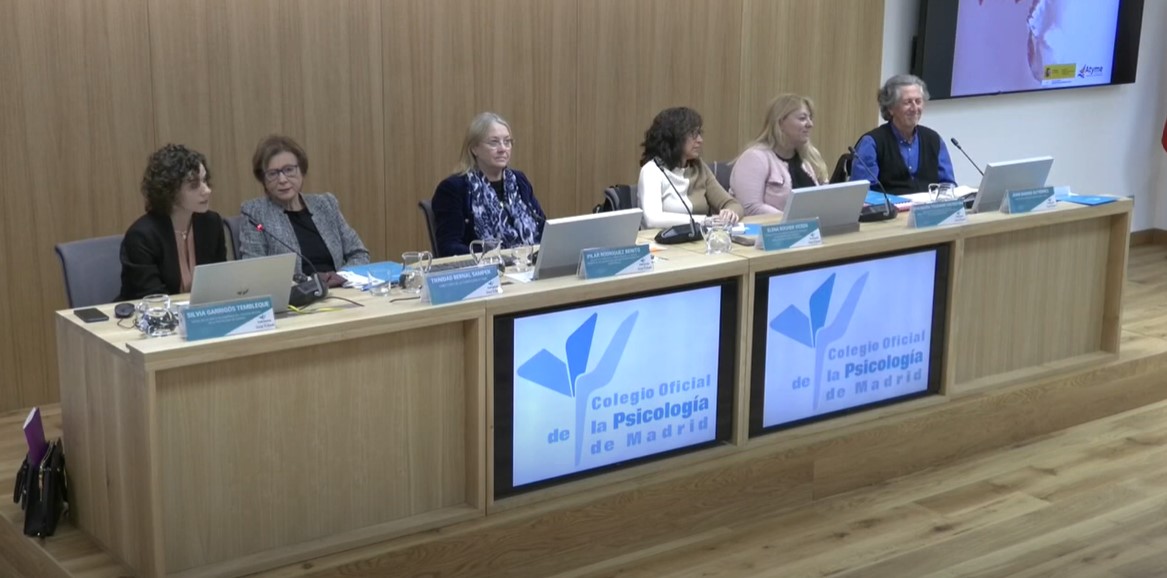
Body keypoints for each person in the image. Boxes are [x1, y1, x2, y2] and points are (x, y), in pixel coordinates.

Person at [239, 135, 368, 286]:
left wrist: (340, 277)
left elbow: (359, 253)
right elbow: (255, 272)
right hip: (294, 296)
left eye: (289, 170)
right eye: (273, 173)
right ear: (263, 179)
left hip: (340, 290)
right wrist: (307, 284)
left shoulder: (326, 204)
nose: (282, 180)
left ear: (302, 171)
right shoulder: (254, 213)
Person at [118, 144, 227, 301]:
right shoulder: (142, 236)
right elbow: (152, 298)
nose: (207, 190)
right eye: (194, 185)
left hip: (200, 312)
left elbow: (220, 283)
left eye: (204, 180)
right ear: (170, 192)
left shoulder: (211, 223)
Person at [432, 112, 545, 257]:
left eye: (507, 142)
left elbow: (543, 229)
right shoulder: (453, 189)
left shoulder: (519, 180)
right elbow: (448, 247)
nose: (503, 149)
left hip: (528, 265)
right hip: (485, 268)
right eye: (494, 142)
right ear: (474, 148)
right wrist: (496, 256)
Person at [851, 74, 957, 196]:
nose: (914, 108)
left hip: (929, 206)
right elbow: (863, 193)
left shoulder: (933, 139)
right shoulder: (872, 143)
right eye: (907, 102)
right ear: (891, 108)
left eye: (918, 101)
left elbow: (948, 184)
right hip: (889, 207)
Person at [637, 107, 742, 229]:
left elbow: (733, 204)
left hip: (696, 239)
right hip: (659, 239)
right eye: (693, 134)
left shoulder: (699, 168)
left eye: (699, 133)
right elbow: (653, 220)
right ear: (674, 137)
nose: (700, 140)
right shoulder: (651, 170)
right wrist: (705, 221)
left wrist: (730, 213)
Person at [730, 94, 829, 215]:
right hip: (770, 227)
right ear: (781, 123)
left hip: (809, 226)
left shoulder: (809, 158)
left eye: (810, 118)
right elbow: (750, 208)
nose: (810, 124)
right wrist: (791, 220)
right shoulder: (754, 158)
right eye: (802, 118)